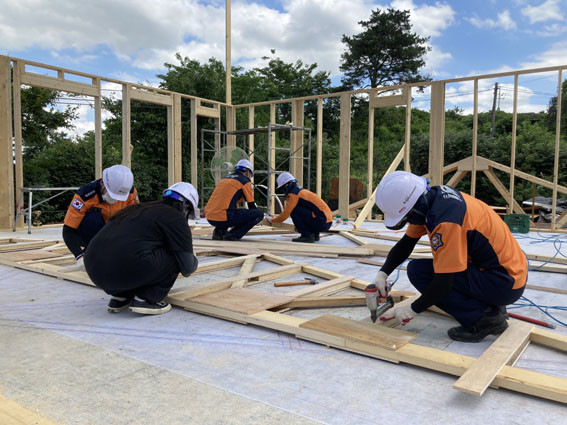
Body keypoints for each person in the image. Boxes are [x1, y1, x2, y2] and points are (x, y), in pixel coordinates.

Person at [371, 171, 528, 342]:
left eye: (408, 218)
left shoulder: (447, 221)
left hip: (505, 282)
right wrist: (383, 273)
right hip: (506, 272)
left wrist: (412, 309)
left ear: (414, 207)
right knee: (418, 269)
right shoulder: (432, 200)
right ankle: (488, 306)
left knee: (421, 274)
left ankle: (484, 320)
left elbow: (444, 282)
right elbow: (406, 243)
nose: (410, 222)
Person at [84, 182, 199, 315]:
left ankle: (121, 297)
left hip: (95, 272)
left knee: (139, 251)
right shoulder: (175, 217)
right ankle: (146, 300)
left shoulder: (138, 209)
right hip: (123, 270)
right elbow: (187, 267)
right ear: (186, 206)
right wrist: (192, 258)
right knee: (177, 256)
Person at [62, 165, 138, 271]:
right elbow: (68, 230)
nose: (115, 200)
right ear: (102, 183)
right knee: (93, 218)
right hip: (89, 235)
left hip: (114, 233)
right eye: (111, 194)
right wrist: (79, 256)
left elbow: (135, 222)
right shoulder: (85, 195)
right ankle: (90, 252)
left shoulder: (130, 192)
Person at [204, 159, 263, 241]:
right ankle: (233, 235)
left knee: (230, 210)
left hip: (210, 216)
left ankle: (219, 232)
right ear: (247, 172)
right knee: (258, 214)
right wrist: (259, 219)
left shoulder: (224, 179)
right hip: (224, 216)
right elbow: (251, 205)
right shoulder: (245, 181)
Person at [265, 172, 332, 243]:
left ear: (287, 185)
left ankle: (307, 236)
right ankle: (314, 235)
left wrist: (272, 220)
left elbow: (285, 214)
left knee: (294, 210)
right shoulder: (300, 191)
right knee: (304, 210)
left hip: (322, 222)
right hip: (326, 222)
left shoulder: (294, 194)